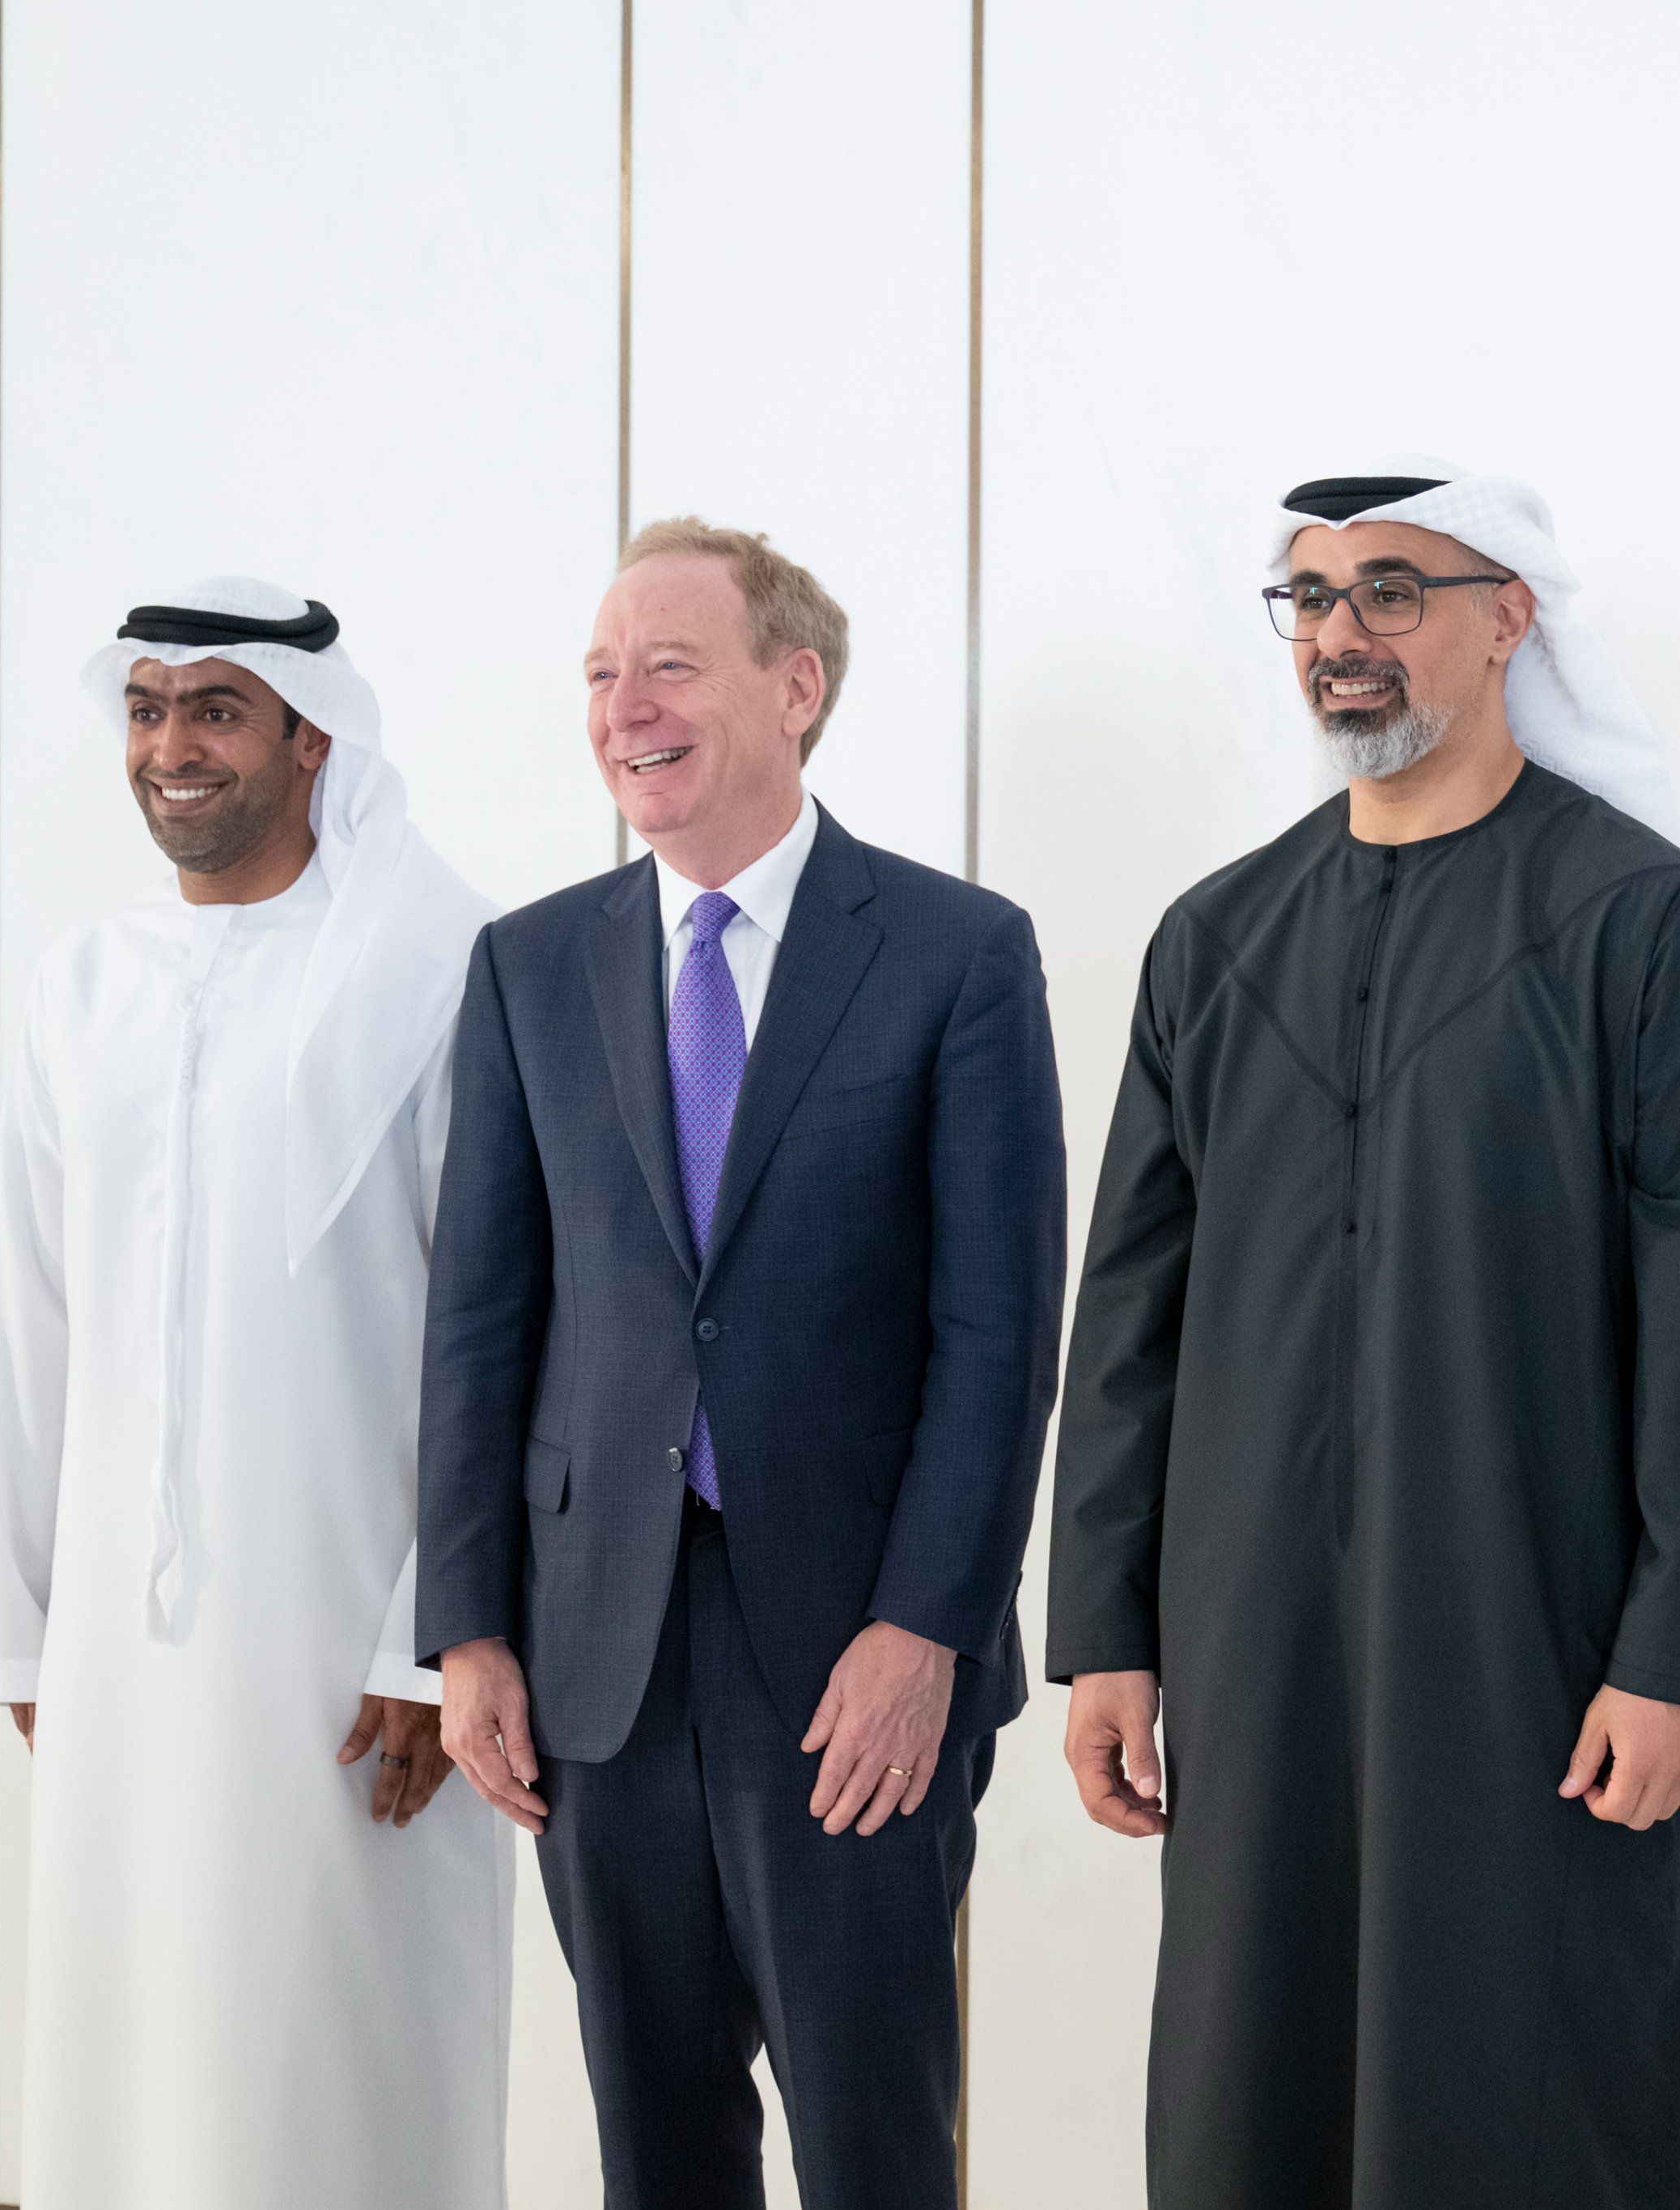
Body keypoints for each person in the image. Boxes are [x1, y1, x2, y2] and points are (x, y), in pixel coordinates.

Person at [1047, 468, 1680, 2208]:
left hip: (1540, 1652)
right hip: (1253, 1645)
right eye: (1311, 601)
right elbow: (1128, 1317)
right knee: (1260, 2075)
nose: (1342, 637)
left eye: (1392, 593)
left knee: (1542, 2080)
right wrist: (1106, 1630)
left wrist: (1677, 1652)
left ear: (1508, 619)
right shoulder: (1217, 939)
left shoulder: (1649, 928)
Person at [416, 518, 1067, 2208]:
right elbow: (482, 1316)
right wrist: (469, 1623)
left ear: (796, 687)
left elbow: (998, 1336)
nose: (625, 706)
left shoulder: (956, 954)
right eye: (599, 674)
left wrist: (926, 1627)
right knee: (658, 2141)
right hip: (595, 1656)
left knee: (870, 2142)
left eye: (669, 665)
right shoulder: (529, 964)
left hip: (851, 1655)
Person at [0, 579, 509, 2208]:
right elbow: (22, 1307)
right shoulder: (85, 981)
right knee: (124, 2052)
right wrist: (12, 1620)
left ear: (309, 736)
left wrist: (437, 1629)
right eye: (145, 708)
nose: (169, 747)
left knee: (337, 2054)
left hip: (353, 1651)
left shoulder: (429, 967)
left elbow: (488, 1323)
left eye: (214, 709)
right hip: (119, 1647)